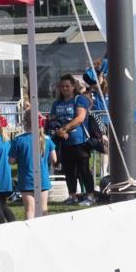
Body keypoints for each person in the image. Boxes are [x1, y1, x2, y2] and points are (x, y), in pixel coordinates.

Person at [49, 75, 95, 207]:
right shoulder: (57, 103)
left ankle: (90, 195)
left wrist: (65, 128)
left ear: (73, 86)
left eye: (67, 86)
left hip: (80, 141)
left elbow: (80, 117)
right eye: (62, 86)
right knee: (69, 171)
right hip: (64, 143)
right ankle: (72, 196)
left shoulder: (79, 99)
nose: (64, 89)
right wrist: (58, 129)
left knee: (84, 169)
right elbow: (52, 118)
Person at [10, 112, 57, 220]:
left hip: (26, 179)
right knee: (43, 208)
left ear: (25, 123)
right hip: (42, 178)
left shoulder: (19, 139)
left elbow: (11, 161)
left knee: (29, 211)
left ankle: (30, 235)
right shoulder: (47, 138)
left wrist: (21, 157)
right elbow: (54, 159)